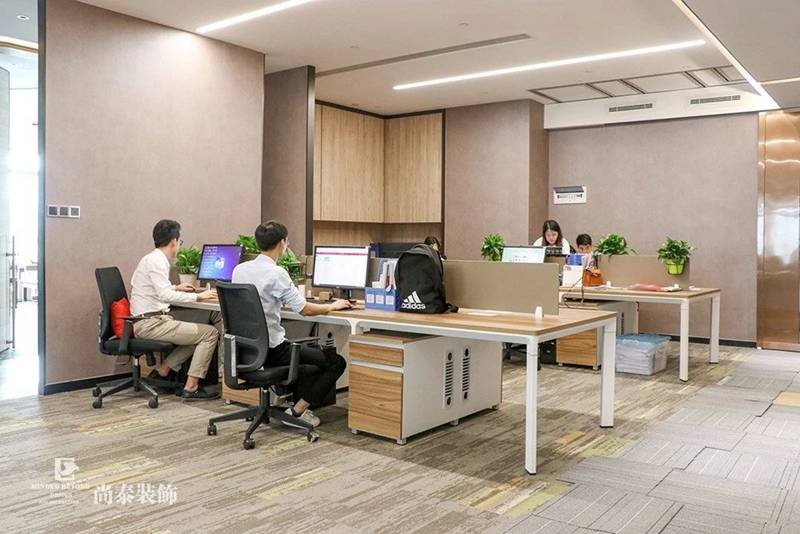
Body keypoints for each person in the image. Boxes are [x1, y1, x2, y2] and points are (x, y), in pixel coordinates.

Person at [232, 220, 349, 429]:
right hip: (274, 351)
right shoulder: (276, 273)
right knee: (336, 362)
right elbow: (304, 309)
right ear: (282, 243)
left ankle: (283, 399)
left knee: (310, 354)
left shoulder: (239, 270)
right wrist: (332, 306)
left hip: (246, 349)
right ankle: (298, 411)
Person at [130, 219, 222, 400]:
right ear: (174, 241)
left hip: (148, 320)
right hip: (150, 323)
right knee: (210, 333)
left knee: (199, 331)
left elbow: (158, 289)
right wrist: (198, 296)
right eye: (180, 242)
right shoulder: (158, 261)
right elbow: (164, 295)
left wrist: (175, 287)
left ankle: (163, 370)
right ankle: (191, 387)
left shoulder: (151, 258)